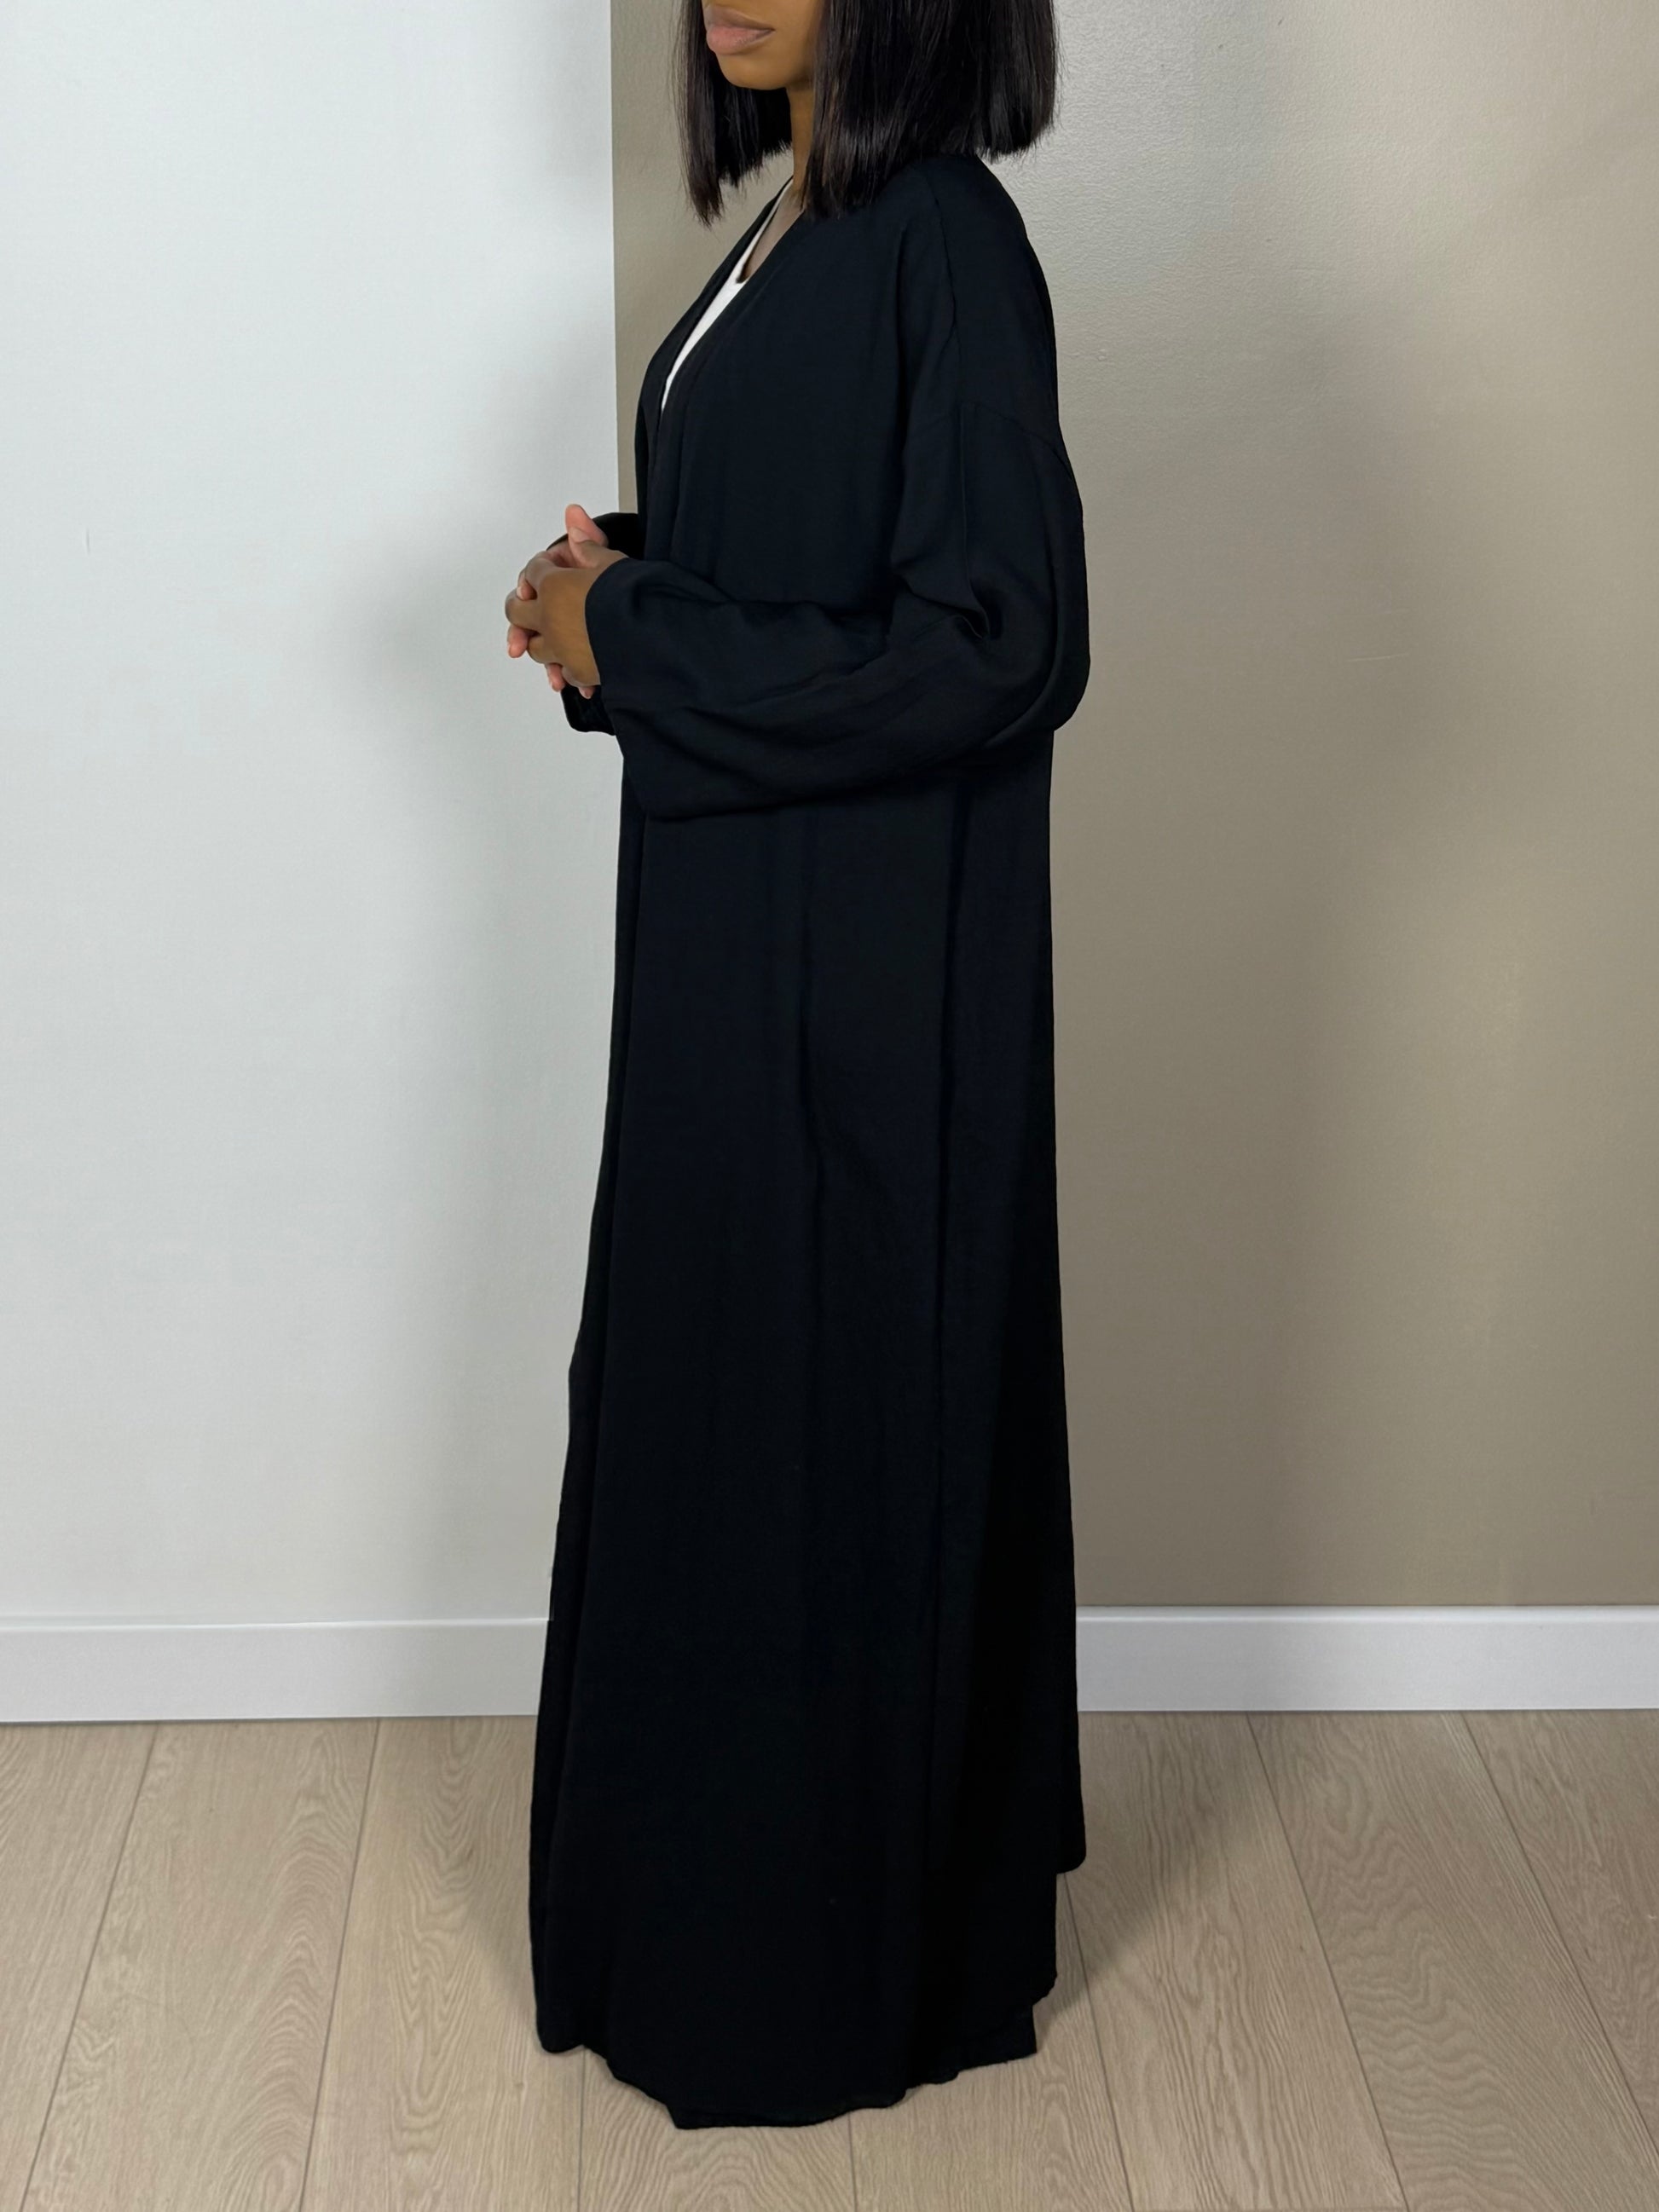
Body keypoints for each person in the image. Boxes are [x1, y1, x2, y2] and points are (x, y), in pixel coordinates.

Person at [507, 0, 1090, 2132]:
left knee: (814, 1418)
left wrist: (643, 638)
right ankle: (679, 1918)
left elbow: (1000, 639)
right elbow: (814, 572)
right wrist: (610, 599)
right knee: (714, 1404)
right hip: (731, 947)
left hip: (859, 987)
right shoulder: (789, 220)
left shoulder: (943, 237)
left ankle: (806, 1976)